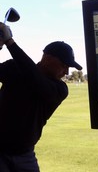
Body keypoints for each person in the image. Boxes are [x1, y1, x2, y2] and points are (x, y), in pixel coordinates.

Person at [0, 22, 82, 171]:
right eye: (64, 65)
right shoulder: (14, 67)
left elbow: (36, 80)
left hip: (25, 156)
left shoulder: (60, 89)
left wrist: (10, 42)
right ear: (48, 59)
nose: (67, 72)